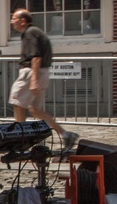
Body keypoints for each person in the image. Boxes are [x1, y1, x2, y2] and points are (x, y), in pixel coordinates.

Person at [8, 8, 79, 149]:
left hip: (31, 73)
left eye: (14, 18)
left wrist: (33, 80)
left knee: (17, 102)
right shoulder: (33, 32)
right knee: (36, 109)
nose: (12, 21)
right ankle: (66, 135)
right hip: (42, 73)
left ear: (23, 21)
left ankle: (21, 140)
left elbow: (35, 57)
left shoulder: (30, 32)